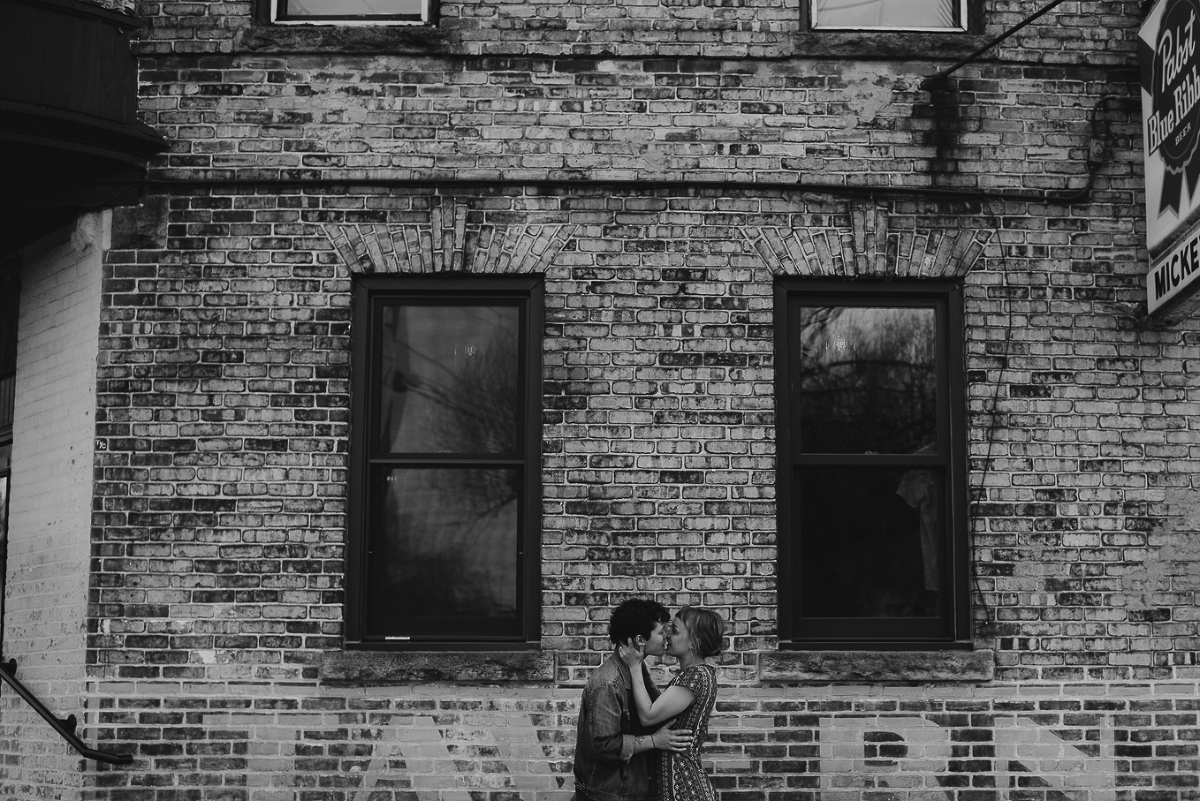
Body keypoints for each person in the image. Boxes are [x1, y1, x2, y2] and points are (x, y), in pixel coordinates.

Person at [574, 598, 694, 801]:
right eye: (660, 632)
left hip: (629, 790)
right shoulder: (608, 684)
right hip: (608, 794)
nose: (665, 636)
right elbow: (604, 745)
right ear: (640, 640)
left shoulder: (636, 669)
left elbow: (655, 710)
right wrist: (655, 741)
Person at [619, 607, 725, 801]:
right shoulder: (697, 675)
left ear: (694, 642)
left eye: (675, 631)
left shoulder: (696, 676)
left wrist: (634, 667)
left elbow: (648, 716)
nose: (668, 635)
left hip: (685, 789)